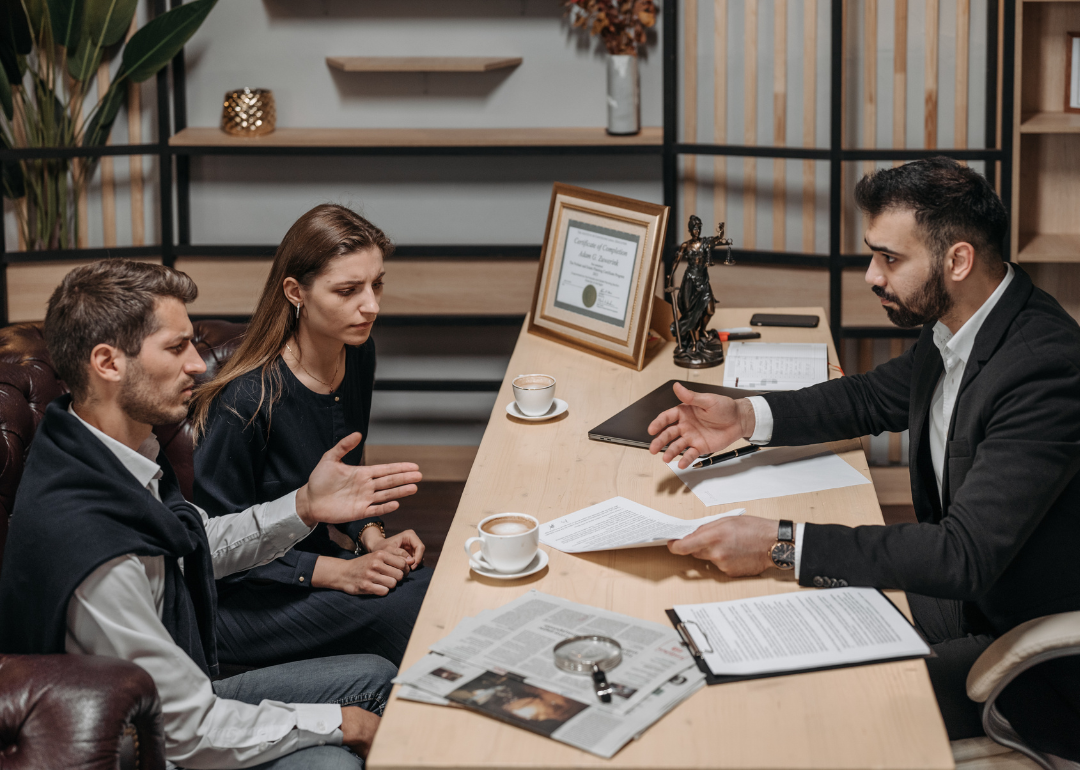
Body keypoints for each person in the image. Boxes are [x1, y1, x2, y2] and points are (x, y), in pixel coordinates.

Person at [647, 158, 1080, 760]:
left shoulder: (1044, 367)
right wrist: (745, 417)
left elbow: (961, 554)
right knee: (774, 619)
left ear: (957, 260)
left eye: (891, 259)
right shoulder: (962, 324)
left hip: (1028, 650)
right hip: (972, 596)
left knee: (813, 701)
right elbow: (870, 397)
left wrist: (780, 541)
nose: (872, 275)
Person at [0, 259, 424, 768]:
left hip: (182, 688)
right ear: (109, 363)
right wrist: (339, 724)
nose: (199, 365)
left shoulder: (97, 447)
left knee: (375, 676)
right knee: (332, 756)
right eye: (176, 348)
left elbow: (193, 543)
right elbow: (187, 731)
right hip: (142, 744)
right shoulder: (94, 555)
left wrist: (304, 506)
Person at [189, 204, 430, 670]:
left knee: (428, 589)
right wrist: (341, 572)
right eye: (348, 290)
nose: (372, 305)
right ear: (295, 292)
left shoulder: (356, 351)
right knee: (416, 609)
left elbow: (344, 483)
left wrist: (374, 542)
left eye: (376, 283)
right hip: (240, 606)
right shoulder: (246, 399)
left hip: (316, 575)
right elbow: (213, 552)